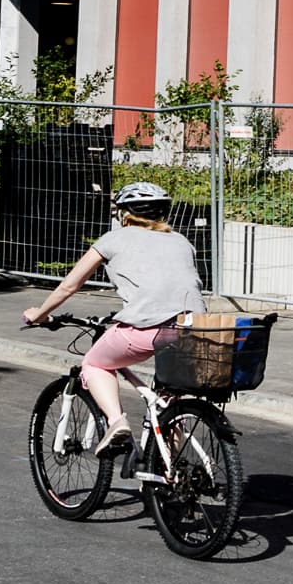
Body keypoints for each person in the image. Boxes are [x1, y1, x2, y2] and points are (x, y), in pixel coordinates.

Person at [21, 178, 204, 442]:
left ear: (124, 213)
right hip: (195, 329)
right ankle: (170, 474)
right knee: (167, 403)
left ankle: (117, 422)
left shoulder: (112, 239)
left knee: (94, 364)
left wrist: (39, 314)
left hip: (148, 330)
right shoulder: (181, 241)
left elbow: (69, 286)